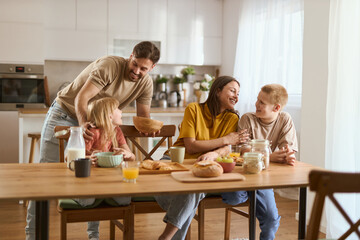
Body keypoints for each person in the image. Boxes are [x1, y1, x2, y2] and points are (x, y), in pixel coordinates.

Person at [25, 41, 160, 240]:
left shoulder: (145, 83)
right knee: (46, 177)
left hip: (98, 124)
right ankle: (32, 235)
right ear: (131, 55)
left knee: (94, 176)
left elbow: (143, 118)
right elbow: (82, 97)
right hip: (67, 113)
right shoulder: (110, 66)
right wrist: (83, 125)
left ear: (152, 68)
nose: (137, 71)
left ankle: (93, 235)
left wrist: (148, 128)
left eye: (143, 68)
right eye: (135, 64)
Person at [154, 76, 249, 240]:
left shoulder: (232, 118)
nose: (236, 96)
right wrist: (226, 140)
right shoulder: (194, 109)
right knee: (191, 193)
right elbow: (191, 146)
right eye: (232, 90)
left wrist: (223, 148)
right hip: (174, 161)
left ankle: (166, 237)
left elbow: (229, 148)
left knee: (193, 190)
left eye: (238, 93)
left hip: (201, 168)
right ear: (217, 91)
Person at [221, 83, 298, 240]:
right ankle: (253, 194)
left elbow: (286, 151)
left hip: (263, 178)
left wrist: (287, 156)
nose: (256, 104)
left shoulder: (285, 119)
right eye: (257, 99)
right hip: (243, 174)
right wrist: (271, 156)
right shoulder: (247, 119)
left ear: (276, 108)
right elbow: (244, 150)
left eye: (262, 102)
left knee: (271, 219)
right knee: (233, 197)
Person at [72, 97, 134, 239]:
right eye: (118, 109)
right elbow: (75, 159)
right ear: (109, 115)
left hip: (111, 182)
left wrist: (127, 154)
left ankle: (103, 196)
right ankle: (93, 235)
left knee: (125, 200)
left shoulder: (117, 131)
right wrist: (89, 159)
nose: (121, 111)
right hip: (90, 181)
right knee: (88, 201)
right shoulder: (92, 133)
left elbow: (132, 157)